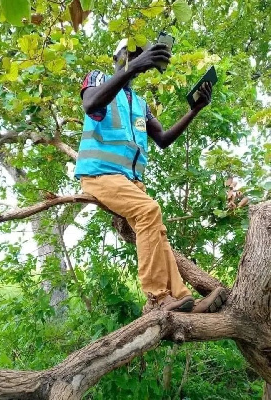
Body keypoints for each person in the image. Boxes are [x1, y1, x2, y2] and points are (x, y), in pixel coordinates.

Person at [74, 39, 227, 314]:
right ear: (117, 56)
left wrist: (196, 109)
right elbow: (91, 104)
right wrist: (132, 69)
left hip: (130, 182)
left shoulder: (140, 104)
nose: (137, 59)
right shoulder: (100, 79)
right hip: (100, 175)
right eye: (131, 54)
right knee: (148, 211)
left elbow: (164, 139)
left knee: (157, 230)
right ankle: (156, 298)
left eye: (141, 56)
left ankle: (180, 297)